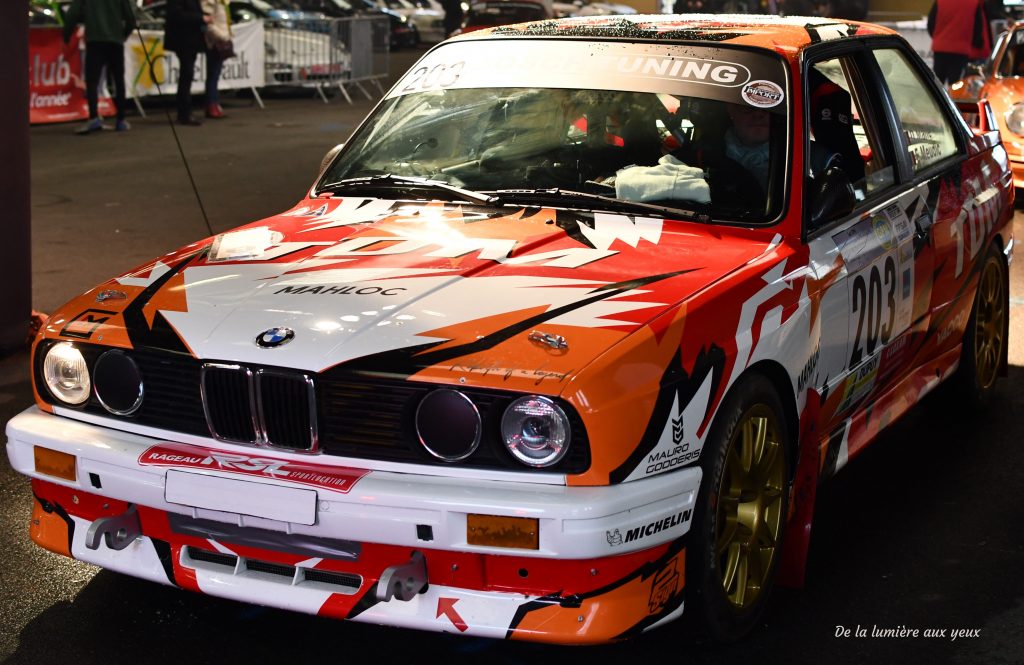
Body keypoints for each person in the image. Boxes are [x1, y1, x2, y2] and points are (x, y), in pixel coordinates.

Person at [62, 0, 136, 134]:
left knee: (92, 81)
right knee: (118, 80)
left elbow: (72, 13)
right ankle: (121, 120)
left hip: (95, 40)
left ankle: (94, 117)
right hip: (115, 41)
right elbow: (130, 17)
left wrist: (66, 34)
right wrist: (123, 35)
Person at [928, 0, 993, 85]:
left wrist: (938, 38)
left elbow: (931, 23)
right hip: (961, 49)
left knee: (937, 83)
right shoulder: (973, 3)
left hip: (941, 47)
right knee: (955, 84)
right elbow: (978, 29)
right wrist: (976, 43)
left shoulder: (940, 1)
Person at [164, 0, 208, 125]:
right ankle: (184, 113)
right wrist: (201, 18)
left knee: (187, 75)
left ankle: (185, 112)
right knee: (187, 74)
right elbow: (177, 14)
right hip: (184, 40)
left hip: (190, 40)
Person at [201, 0, 232, 119]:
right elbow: (207, 23)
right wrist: (221, 36)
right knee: (213, 75)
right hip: (214, 42)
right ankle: (211, 105)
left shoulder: (224, 2)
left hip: (221, 39)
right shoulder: (209, 2)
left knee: (215, 75)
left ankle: (214, 104)